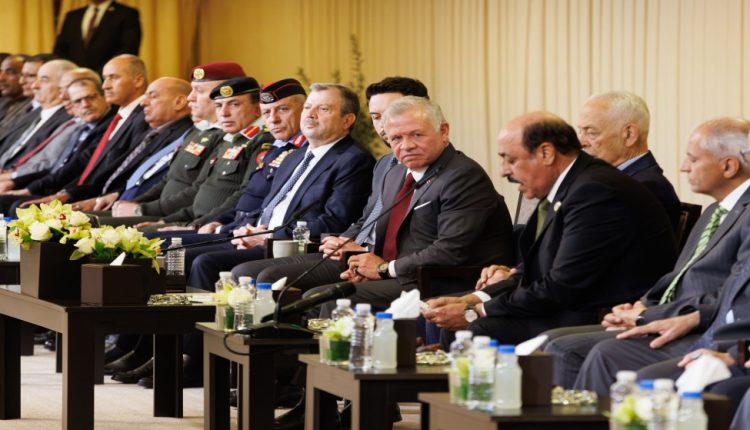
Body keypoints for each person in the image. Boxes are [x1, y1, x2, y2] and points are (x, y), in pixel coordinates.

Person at [423, 112, 677, 348]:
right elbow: (533, 270)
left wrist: (475, 312)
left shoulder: (595, 192)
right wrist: (473, 299)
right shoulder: (572, 185)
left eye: (511, 160)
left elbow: (562, 285)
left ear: (546, 153)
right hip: (567, 303)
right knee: (453, 317)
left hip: (598, 314)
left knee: (474, 327)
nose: (503, 171)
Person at [543, 117, 750, 388]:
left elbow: (730, 295)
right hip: (671, 314)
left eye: (692, 159)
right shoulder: (715, 211)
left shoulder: (745, 215)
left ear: (729, 166)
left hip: (704, 327)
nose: (683, 167)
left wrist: (648, 316)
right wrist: (642, 305)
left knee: (582, 352)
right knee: (553, 341)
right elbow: (678, 277)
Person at [300, 95, 515, 317]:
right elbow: (382, 233)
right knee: (311, 298)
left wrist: (384, 269)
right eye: (396, 138)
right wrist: (365, 268)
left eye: (417, 135)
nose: (407, 146)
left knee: (326, 301)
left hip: (446, 281)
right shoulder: (395, 174)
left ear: (443, 131)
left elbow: (450, 251)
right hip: (406, 275)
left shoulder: (462, 175)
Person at [230, 76, 430, 291]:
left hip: (385, 263)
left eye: (392, 113)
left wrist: (377, 263)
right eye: (376, 116)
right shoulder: (386, 163)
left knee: (265, 276)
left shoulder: (359, 159)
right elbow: (367, 218)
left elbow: (337, 219)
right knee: (243, 271)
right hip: (350, 251)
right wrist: (344, 241)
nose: (384, 124)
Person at [187, 82, 375, 290]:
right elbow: (269, 207)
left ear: (347, 120)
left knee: (205, 262)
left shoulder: (353, 160)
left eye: (323, 109)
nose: (310, 114)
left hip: (289, 245)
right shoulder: (293, 157)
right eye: (307, 107)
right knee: (181, 251)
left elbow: (334, 221)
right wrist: (247, 230)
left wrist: (269, 237)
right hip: (257, 236)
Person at [124, 75, 274, 229]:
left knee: (132, 234)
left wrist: (194, 226)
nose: (224, 113)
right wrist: (165, 222)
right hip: (193, 221)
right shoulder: (227, 140)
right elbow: (199, 190)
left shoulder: (262, 140)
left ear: (257, 109)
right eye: (218, 106)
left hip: (215, 227)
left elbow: (244, 195)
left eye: (234, 105)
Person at [9, 54, 150, 212]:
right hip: (78, 191)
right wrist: (64, 193)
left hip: (106, 200)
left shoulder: (142, 117)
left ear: (138, 80)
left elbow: (120, 169)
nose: (105, 86)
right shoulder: (119, 117)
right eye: (105, 79)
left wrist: (68, 194)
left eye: (113, 77)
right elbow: (82, 164)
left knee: (16, 207)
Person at [105, 62, 246, 214]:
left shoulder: (229, 138)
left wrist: (142, 210)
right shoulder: (199, 132)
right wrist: (134, 202)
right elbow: (169, 179)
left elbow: (198, 191)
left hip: (177, 217)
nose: (190, 98)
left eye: (199, 91)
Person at [70, 77, 194, 211]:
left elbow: (155, 182)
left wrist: (124, 203)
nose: (143, 102)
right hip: (113, 201)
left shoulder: (184, 136)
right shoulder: (152, 133)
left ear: (179, 102)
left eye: (152, 96)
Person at [578, 91, 680, 228]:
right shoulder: (612, 180)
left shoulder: (645, 188)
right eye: (580, 131)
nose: (581, 142)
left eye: (591, 133)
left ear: (629, 135)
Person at [0, 67, 101, 191]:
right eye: (62, 90)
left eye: (89, 97)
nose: (63, 96)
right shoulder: (71, 124)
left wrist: (20, 185)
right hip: (40, 185)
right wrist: (15, 181)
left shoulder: (92, 125)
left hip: (62, 192)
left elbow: (57, 165)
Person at [0, 59, 76, 169]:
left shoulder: (69, 120)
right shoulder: (33, 113)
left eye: (44, 80)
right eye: (36, 79)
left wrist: (11, 176)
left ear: (65, 86)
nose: (34, 86)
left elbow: (45, 163)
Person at [54, 0, 141, 73]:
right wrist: (74, 72)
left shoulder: (127, 14)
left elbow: (128, 48)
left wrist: (99, 74)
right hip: (73, 78)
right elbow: (60, 50)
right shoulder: (72, 16)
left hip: (108, 78)